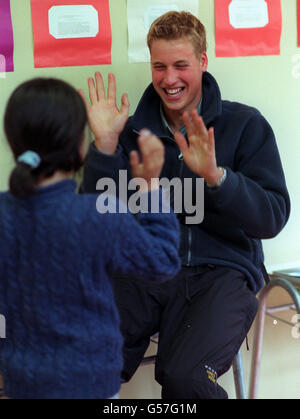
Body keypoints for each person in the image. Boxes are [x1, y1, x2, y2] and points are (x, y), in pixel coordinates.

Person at [80, 11, 290, 398]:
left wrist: (218, 178)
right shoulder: (130, 132)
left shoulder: (244, 125)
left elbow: (272, 217)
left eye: (181, 65)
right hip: (144, 270)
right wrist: (105, 148)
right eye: (159, 66)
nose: (169, 78)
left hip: (223, 273)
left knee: (186, 380)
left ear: (203, 62)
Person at [0, 77, 181, 399]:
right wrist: (151, 187)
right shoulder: (99, 214)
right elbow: (163, 260)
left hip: (21, 381)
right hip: (90, 382)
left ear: (13, 141)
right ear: (79, 144)